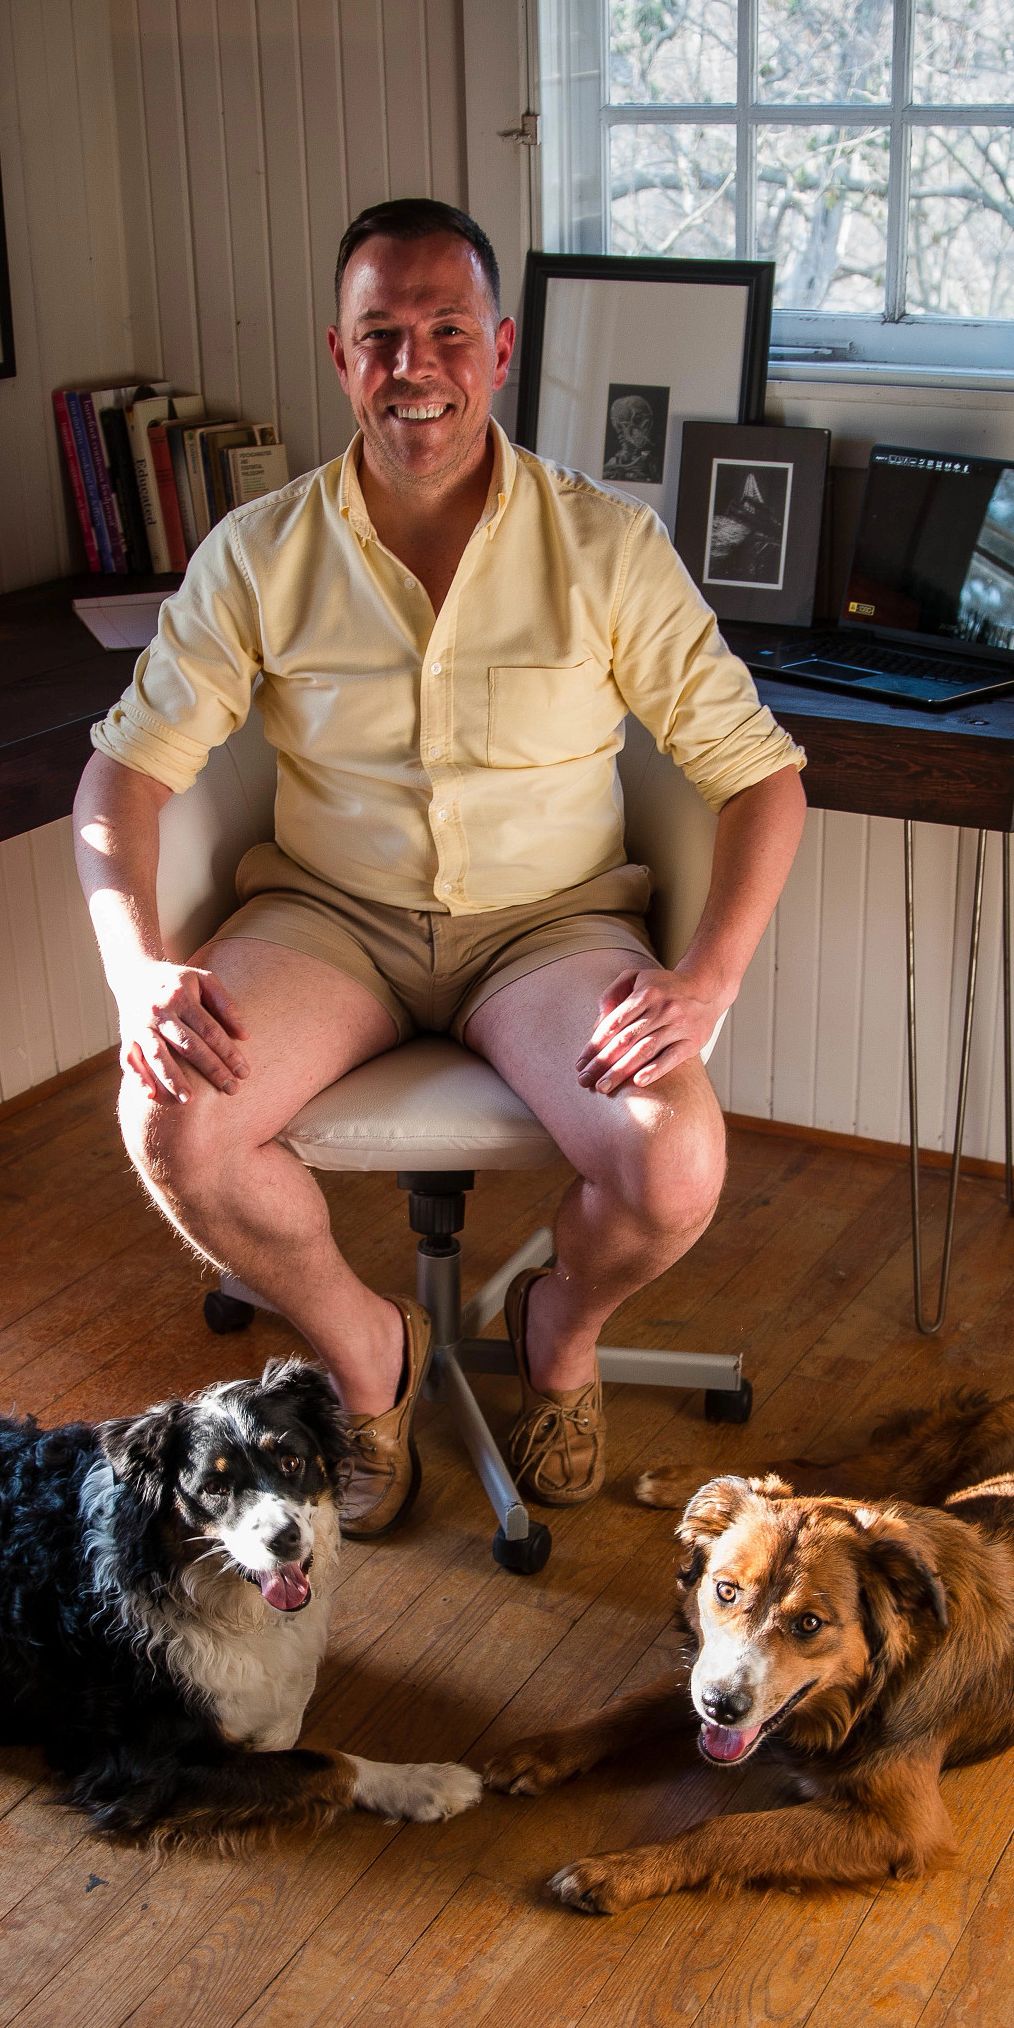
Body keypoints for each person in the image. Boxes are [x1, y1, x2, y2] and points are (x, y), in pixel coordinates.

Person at [74, 198, 806, 1539]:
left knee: (674, 1167)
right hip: (326, 920)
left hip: (547, 927)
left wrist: (705, 977)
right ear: (339, 356)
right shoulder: (260, 551)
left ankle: (558, 1326)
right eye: (381, 336)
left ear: (500, 347)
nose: (414, 366)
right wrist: (134, 974)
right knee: (169, 1119)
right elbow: (122, 772)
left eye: (446, 331)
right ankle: (366, 1357)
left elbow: (760, 773)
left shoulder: (606, 546)